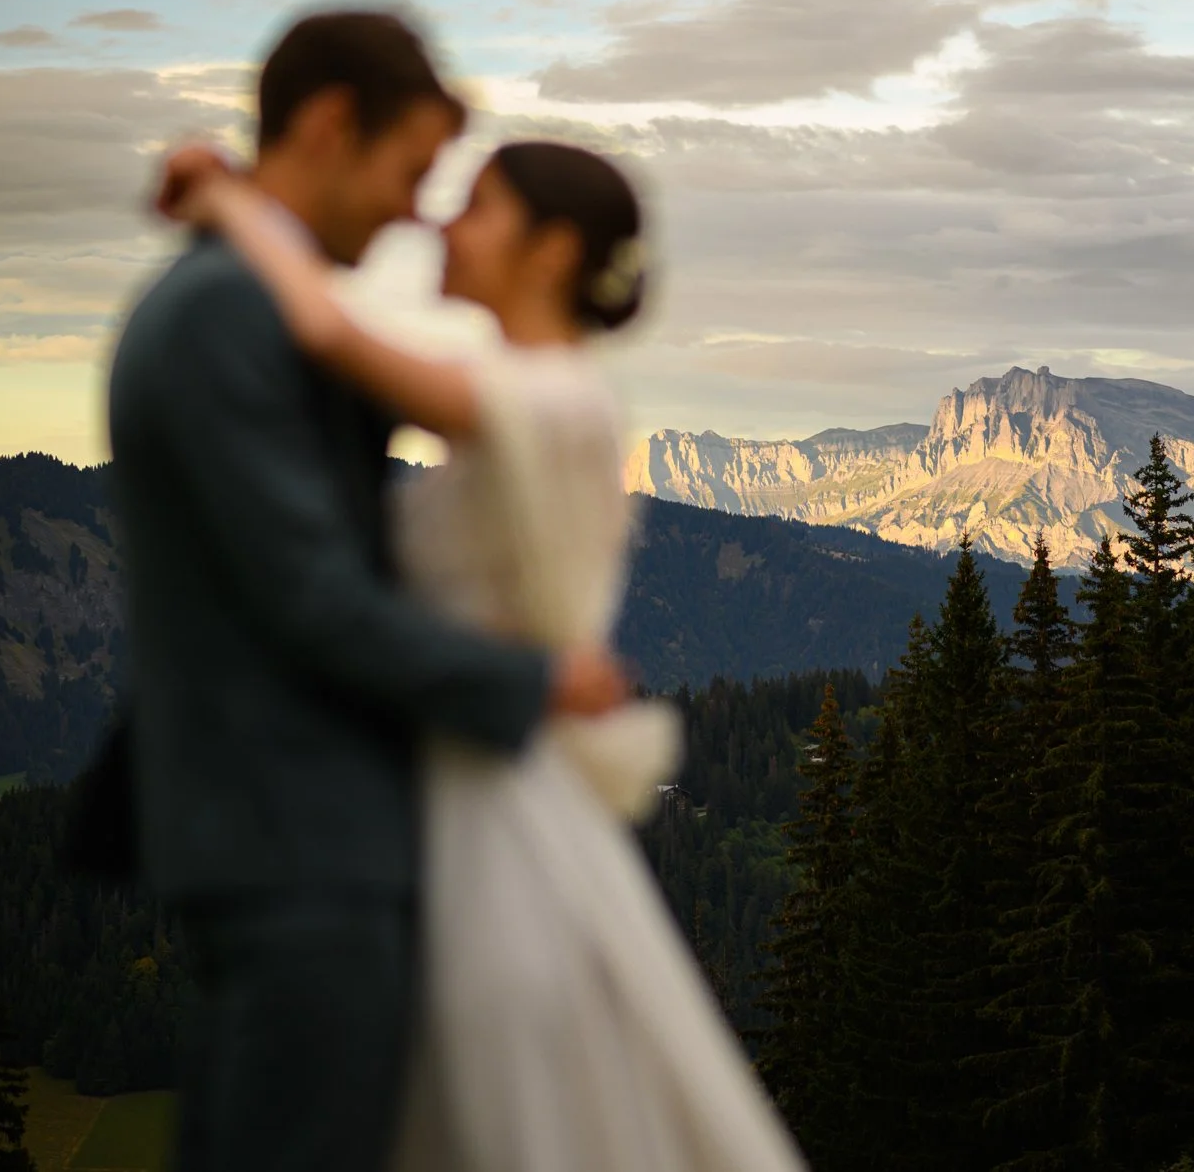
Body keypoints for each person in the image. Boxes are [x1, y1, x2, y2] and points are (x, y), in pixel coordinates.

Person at [157, 135, 808, 1172]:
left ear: (550, 252)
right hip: (455, 782)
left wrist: (233, 203)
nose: (443, 225)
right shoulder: (537, 391)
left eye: (479, 208)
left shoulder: (553, 399)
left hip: (484, 810)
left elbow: (323, 327)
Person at [108, 11, 631, 1172]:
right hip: (299, 842)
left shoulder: (254, 304)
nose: (418, 214)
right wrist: (536, 679)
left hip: (344, 839)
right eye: (410, 172)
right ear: (335, 123)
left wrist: (233, 199)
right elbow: (310, 597)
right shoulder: (223, 315)